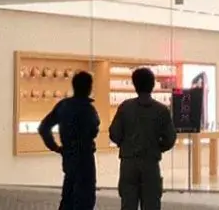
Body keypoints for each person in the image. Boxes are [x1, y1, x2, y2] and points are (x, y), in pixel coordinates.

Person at [108, 67, 177, 210]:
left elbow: (114, 133)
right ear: (152, 85)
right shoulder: (161, 110)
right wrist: (158, 147)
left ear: (135, 85)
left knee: (128, 204)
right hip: (150, 163)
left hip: (128, 162)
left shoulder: (125, 107)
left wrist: (125, 144)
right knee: (151, 204)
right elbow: (170, 138)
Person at [39, 70, 100, 210]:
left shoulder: (63, 106)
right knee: (85, 198)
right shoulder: (88, 109)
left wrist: (55, 147)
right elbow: (94, 129)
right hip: (85, 157)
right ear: (89, 87)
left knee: (68, 196)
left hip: (68, 155)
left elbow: (44, 127)